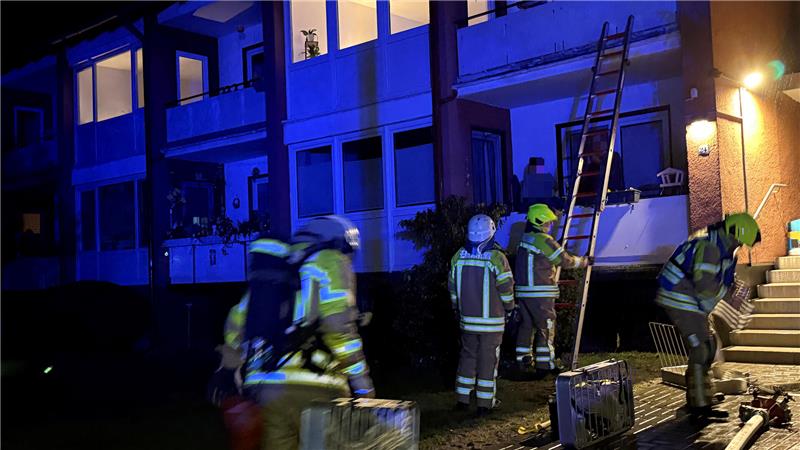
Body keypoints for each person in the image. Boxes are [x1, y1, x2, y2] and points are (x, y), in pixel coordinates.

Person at [213, 215, 374, 450]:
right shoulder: (329, 261)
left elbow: (236, 324)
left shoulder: (274, 274)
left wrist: (233, 370)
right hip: (318, 388)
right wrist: (362, 384)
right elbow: (339, 330)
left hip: (265, 391)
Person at [655, 213, 760, 419]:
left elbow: (718, 281)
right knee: (701, 348)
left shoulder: (719, 247)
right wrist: (731, 298)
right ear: (733, 234)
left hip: (692, 302)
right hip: (680, 300)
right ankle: (698, 405)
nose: (739, 246)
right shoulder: (709, 248)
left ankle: (704, 394)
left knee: (710, 344)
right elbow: (705, 287)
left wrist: (734, 290)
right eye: (740, 242)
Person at [513, 204, 591, 378]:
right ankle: (545, 364)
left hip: (523, 292)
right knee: (546, 327)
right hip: (541, 292)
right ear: (539, 221)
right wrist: (584, 262)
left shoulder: (525, 238)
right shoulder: (544, 240)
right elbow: (564, 260)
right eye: (548, 222)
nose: (550, 226)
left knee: (526, 326)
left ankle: (523, 361)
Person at [449, 214, 515, 416]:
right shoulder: (497, 258)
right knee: (488, 362)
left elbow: (453, 290)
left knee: (467, 358)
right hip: (491, 323)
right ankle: (485, 404)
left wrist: (457, 308)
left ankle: (462, 398)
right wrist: (510, 308)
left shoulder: (458, 256)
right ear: (491, 231)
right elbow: (506, 289)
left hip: (467, 321)